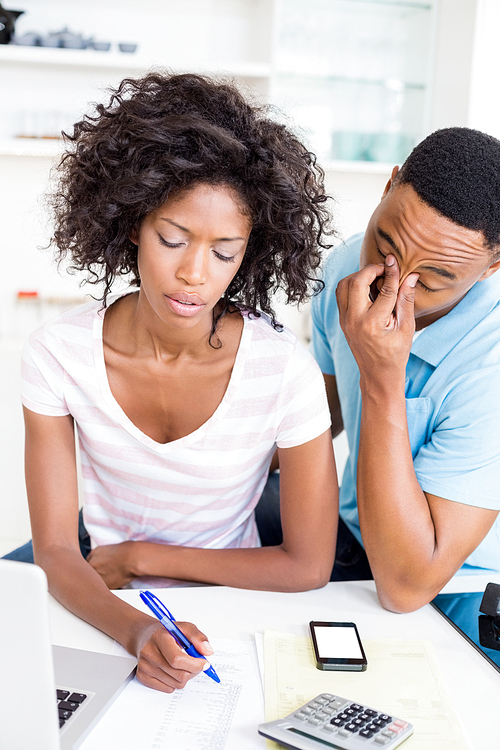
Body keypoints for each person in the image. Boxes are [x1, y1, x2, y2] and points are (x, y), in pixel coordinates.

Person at [5, 72, 339, 692]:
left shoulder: (282, 370)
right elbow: (55, 550)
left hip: (235, 601)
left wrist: (141, 558)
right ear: (132, 223)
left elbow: (309, 565)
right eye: (172, 238)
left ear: (251, 253)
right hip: (107, 603)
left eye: (224, 252)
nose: (192, 274)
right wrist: (134, 632)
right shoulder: (58, 354)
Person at [257, 127, 500, 614]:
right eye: (383, 246)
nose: (392, 283)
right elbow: (327, 408)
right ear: (388, 186)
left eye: (428, 283)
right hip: (355, 530)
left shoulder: (490, 371)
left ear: (493, 265)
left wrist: (382, 377)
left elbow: (406, 589)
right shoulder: (346, 266)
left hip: (456, 583)